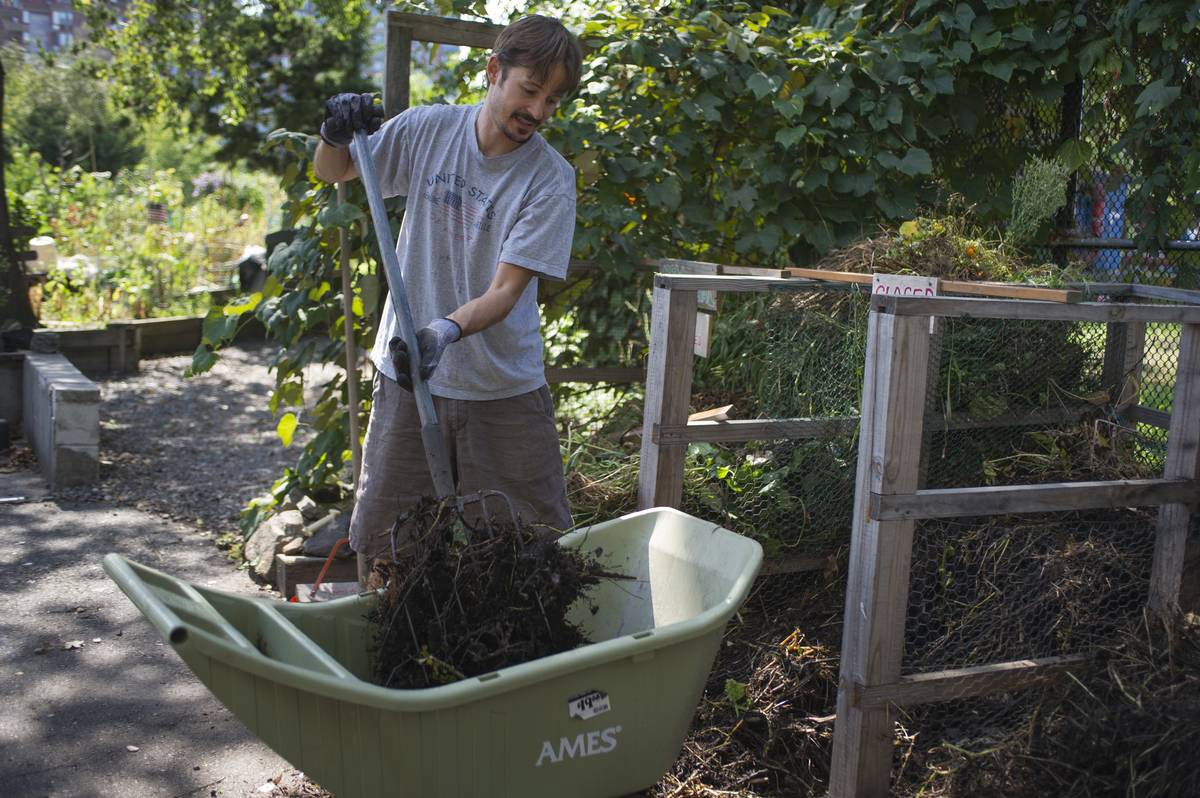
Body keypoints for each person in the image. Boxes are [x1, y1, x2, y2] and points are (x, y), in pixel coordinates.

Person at [313, 15, 583, 581]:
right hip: (410, 380)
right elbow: (333, 171)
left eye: (553, 101)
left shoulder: (549, 179)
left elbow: (506, 291)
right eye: (529, 91)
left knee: (529, 550)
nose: (537, 112)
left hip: (501, 385)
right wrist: (333, 135)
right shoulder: (429, 131)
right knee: (392, 547)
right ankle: (399, 657)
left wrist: (441, 331)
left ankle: (526, 665)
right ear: (494, 72)